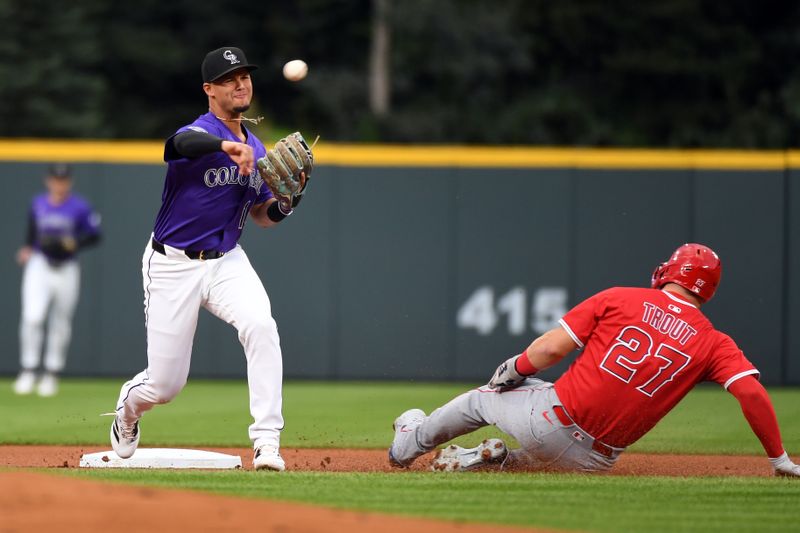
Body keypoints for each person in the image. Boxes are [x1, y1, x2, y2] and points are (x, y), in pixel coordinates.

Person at [389, 243, 800, 477]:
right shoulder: (714, 342)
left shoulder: (622, 297)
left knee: (484, 398)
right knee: (538, 456)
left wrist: (513, 369)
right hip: (596, 460)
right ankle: (488, 459)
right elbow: (750, 392)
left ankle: (407, 446)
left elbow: (548, 351)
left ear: (670, 271)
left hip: (552, 421)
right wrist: (778, 459)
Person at [108, 46, 307, 471]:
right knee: (164, 386)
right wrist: (224, 146)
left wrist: (289, 202)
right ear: (209, 89)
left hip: (225, 260)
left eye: (245, 76)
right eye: (230, 78)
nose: (241, 83)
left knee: (261, 325)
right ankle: (127, 411)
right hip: (172, 264)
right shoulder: (198, 134)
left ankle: (266, 443)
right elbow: (177, 143)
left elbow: (263, 216)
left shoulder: (254, 146)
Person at [13, 164, 101, 397]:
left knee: (60, 322)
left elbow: (94, 235)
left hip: (67, 266)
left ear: (69, 182)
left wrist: (75, 243)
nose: (59, 183)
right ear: (48, 181)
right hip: (40, 264)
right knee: (33, 317)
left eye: (63, 179)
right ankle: (29, 369)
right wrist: (27, 247)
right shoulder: (38, 203)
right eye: (55, 179)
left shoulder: (80, 207)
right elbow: (32, 230)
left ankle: (51, 373)